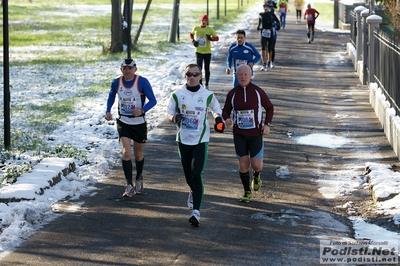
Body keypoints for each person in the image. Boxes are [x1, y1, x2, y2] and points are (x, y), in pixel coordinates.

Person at [166, 63, 224, 227]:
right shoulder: (177, 95)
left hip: (200, 139)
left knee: (196, 173)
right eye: (189, 74)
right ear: (185, 76)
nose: (192, 77)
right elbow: (168, 113)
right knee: (188, 176)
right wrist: (173, 118)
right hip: (183, 139)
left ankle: (196, 212)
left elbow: (216, 109)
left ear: (200, 76)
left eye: (195, 74)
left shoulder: (207, 95)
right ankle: (193, 191)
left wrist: (218, 119)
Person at [105, 58, 157, 198]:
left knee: (138, 155)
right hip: (124, 121)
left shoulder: (142, 82)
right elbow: (111, 96)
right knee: (126, 153)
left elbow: (153, 100)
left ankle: (139, 177)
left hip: (139, 122)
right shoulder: (117, 82)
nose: (127, 71)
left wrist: (142, 110)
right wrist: (108, 110)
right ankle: (129, 185)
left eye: (130, 68)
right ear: (121, 69)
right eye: (124, 68)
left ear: (135, 69)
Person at [222, 64, 274, 203]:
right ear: (236, 76)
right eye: (240, 74)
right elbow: (225, 110)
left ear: (251, 75)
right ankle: (246, 191)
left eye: (246, 74)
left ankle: (257, 175)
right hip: (239, 134)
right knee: (244, 164)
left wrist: (267, 124)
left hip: (256, 133)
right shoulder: (232, 93)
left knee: (257, 165)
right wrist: (227, 118)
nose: (243, 77)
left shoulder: (258, 92)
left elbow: (269, 107)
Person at [190, 14, 219, 90]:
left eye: (205, 21)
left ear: (207, 22)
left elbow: (217, 38)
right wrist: (193, 41)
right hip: (198, 51)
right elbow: (191, 34)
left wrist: (211, 38)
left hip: (207, 52)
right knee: (199, 68)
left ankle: (207, 83)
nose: (204, 22)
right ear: (201, 21)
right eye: (203, 20)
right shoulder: (196, 28)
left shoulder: (209, 29)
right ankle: (200, 83)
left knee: (207, 68)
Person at [257, 3, 280, 71]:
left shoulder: (271, 14)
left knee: (270, 48)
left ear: (269, 7)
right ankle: (264, 64)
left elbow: (278, 23)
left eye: (267, 6)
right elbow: (259, 23)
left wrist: (274, 25)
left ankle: (270, 62)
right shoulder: (261, 14)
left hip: (270, 32)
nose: (265, 8)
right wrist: (258, 27)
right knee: (263, 48)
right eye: (264, 6)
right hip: (263, 32)